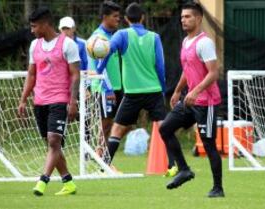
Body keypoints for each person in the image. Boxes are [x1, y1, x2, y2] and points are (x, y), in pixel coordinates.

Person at [96, 2, 177, 174]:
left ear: (126, 19)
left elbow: (106, 53)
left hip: (132, 93)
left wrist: (99, 71)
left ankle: (104, 165)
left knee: (116, 130)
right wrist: (162, 89)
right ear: (143, 18)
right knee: (165, 128)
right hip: (153, 90)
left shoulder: (122, 35)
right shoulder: (154, 37)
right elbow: (160, 66)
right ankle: (173, 165)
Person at [159, 2, 224, 198]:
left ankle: (218, 188)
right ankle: (184, 169)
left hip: (207, 101)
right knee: (165, 128)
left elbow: (213, 73)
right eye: (181, 17)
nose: (183, 20)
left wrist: (195, 91)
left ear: (198, 18)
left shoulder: (205, 43)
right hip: (190, 99)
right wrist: (178, 91)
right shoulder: (186, 42)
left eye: (187, 17)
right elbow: (188, 70)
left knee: (208, 143)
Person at [18, 7, 80, 196]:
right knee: (52, 144)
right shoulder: (34, 46)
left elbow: (75, 75)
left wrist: (73, 101)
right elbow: (31, 74)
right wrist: (23, 100)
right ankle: (68, 182)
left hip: (60, 100)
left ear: (45, 25)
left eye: (34, 26)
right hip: (40, 101)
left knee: (54, 141)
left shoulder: (68, 45)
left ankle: (43, 181)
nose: (32, 30)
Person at [88, 1, 123, 172]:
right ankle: (103, 159)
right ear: (105, 17)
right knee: (106, 124)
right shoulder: (98, 38)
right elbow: (99, 67)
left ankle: (100, 154)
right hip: (104, 87)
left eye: (119, 16)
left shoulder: (112, 36)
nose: (118, 19)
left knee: (114, 123)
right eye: (115, 16)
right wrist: (108, 89)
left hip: (115, 86)